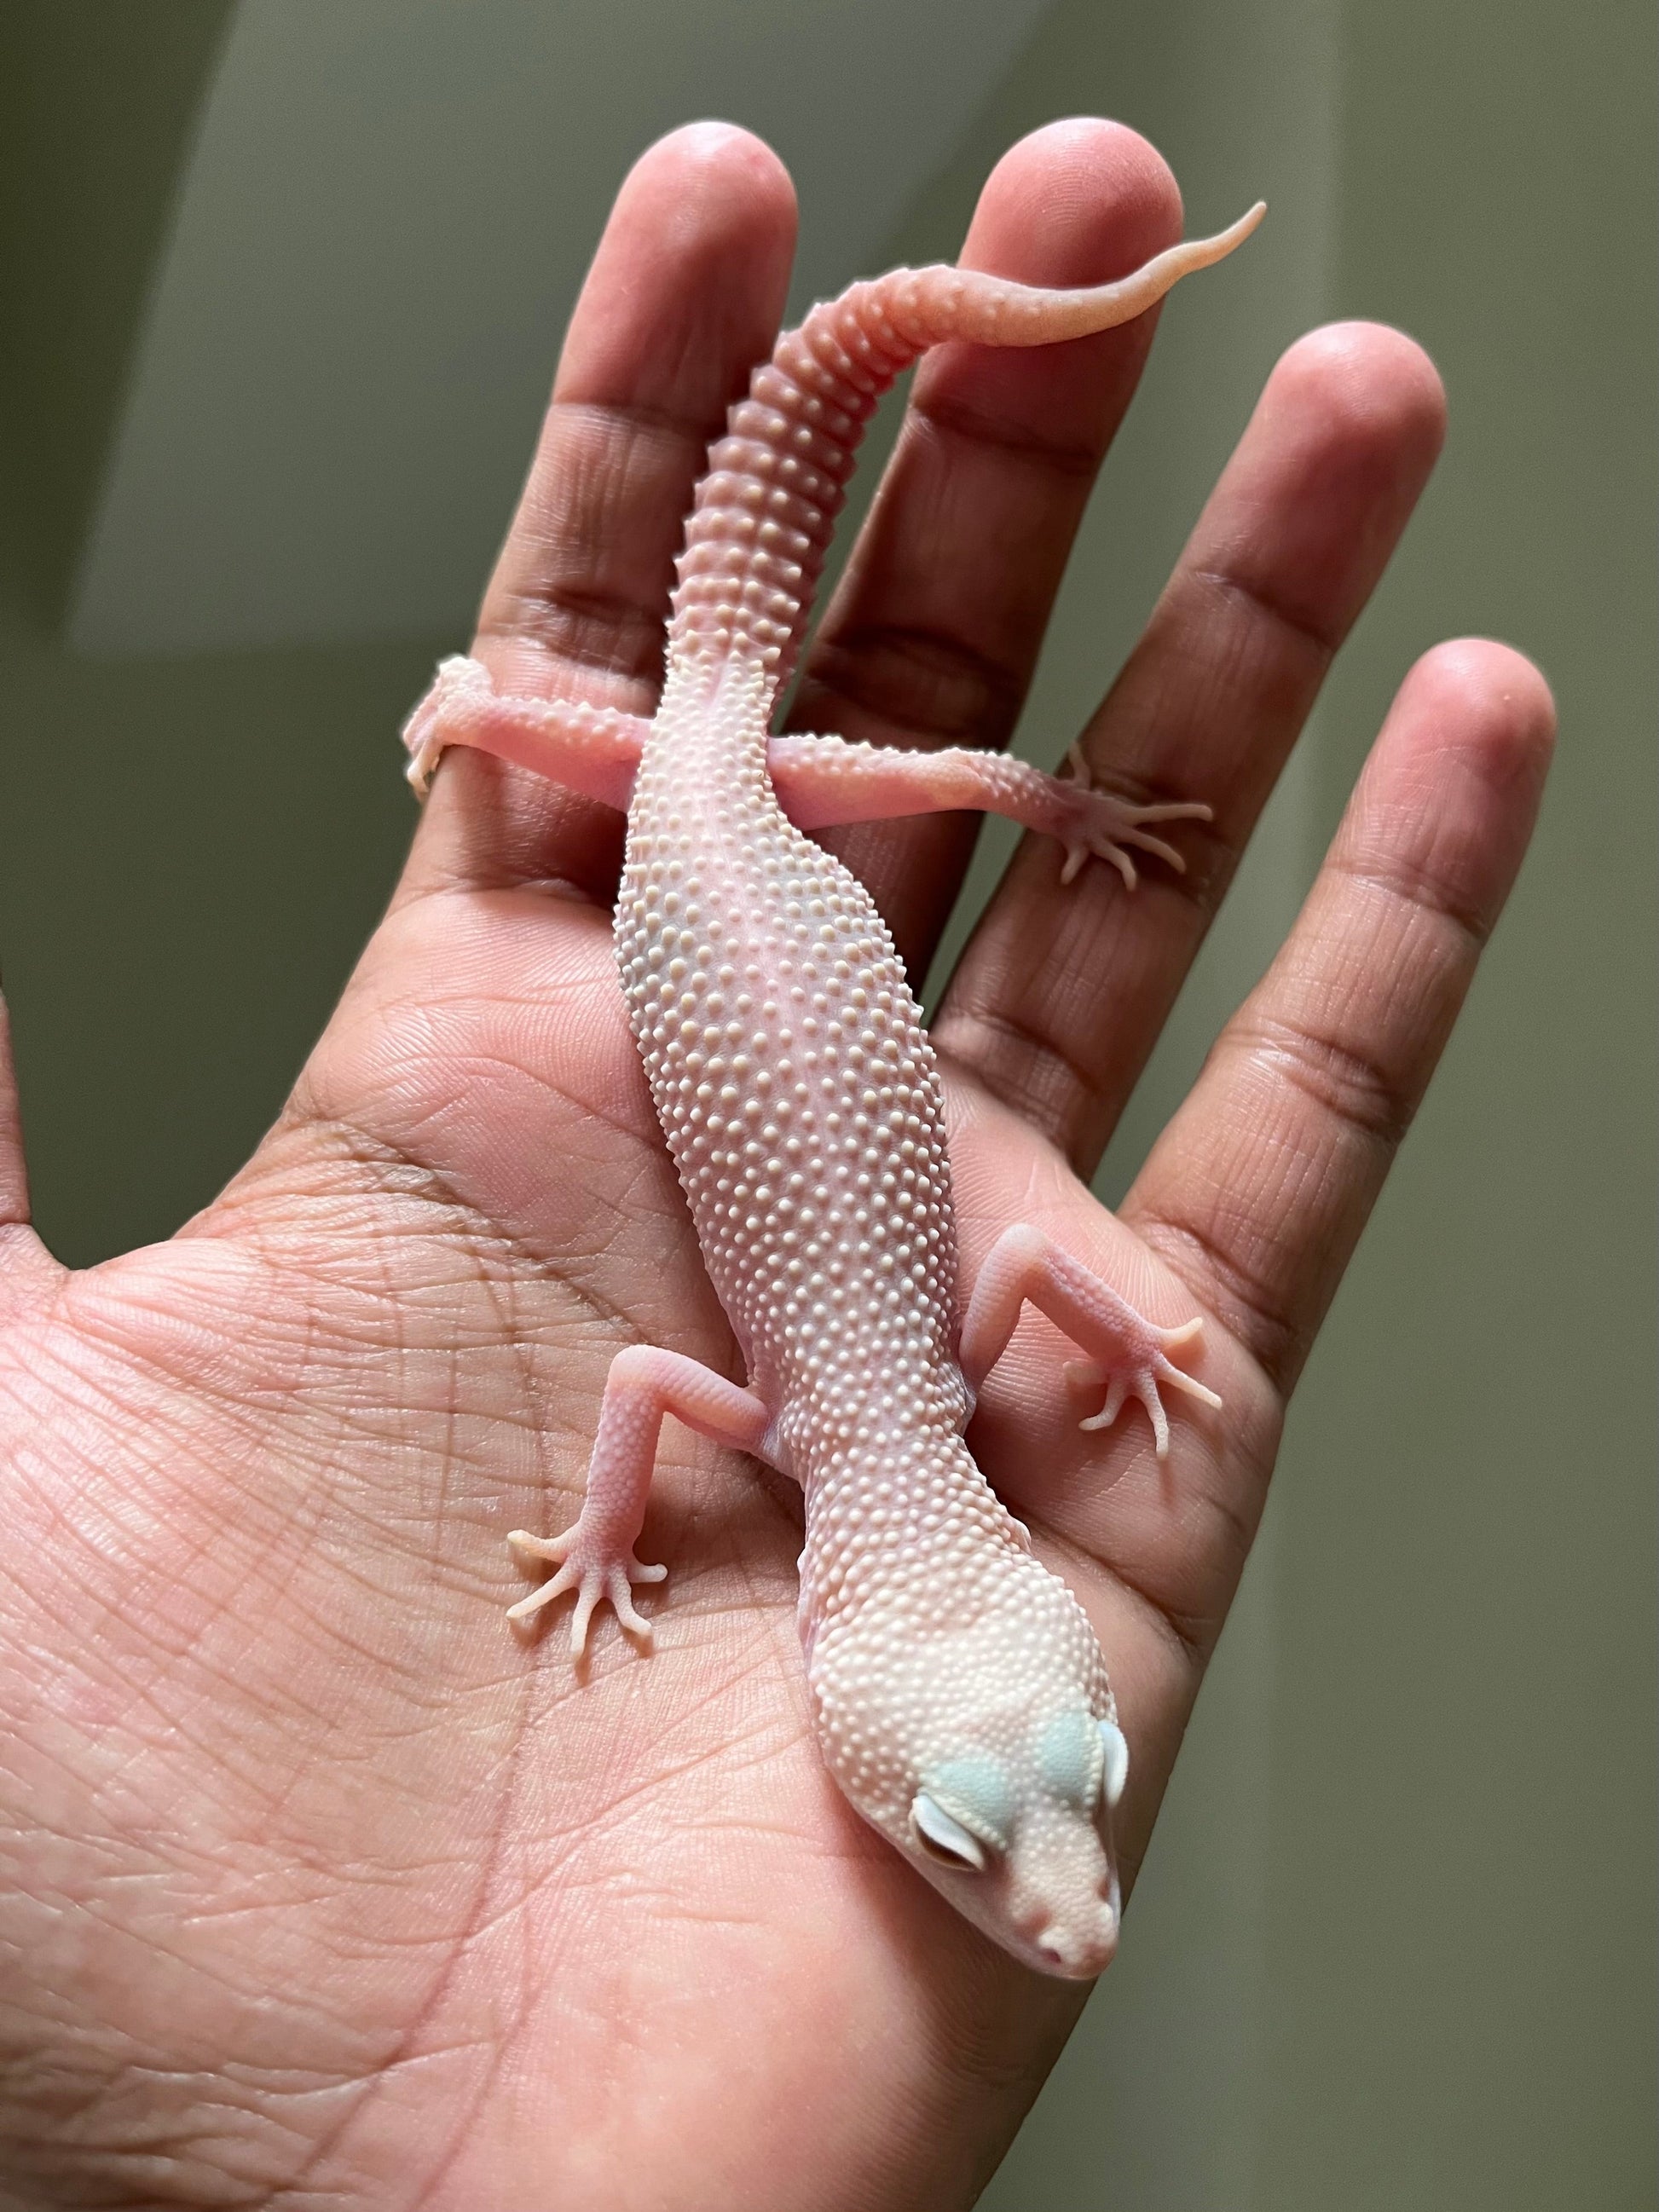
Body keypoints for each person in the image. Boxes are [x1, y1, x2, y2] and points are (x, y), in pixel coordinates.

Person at [0, 119, 1552, 2208]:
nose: (1061, 1895)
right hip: (712, 772)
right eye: (1042, 1803)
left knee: (747, 711)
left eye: (997, 1818)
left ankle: (564, 691)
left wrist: (629, 1525)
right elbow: (673, 1391)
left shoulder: (902, 1379)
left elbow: (720, 1374)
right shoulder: (864, 1393)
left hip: (702, 774)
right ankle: (584, 677)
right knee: (767, 699)